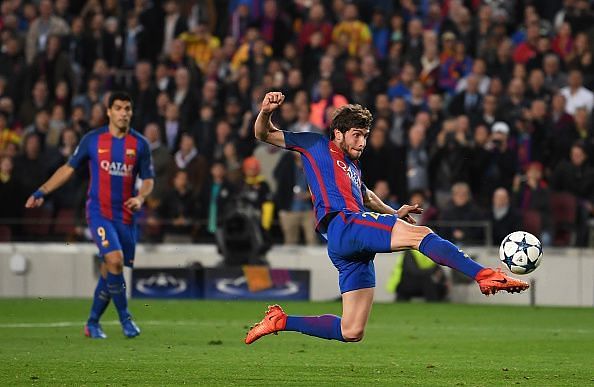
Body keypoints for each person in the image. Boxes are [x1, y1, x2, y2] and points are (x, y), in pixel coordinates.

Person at [245, 91, 529, 345]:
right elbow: (264, 134)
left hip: (347, 244)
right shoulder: (315, 145)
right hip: (346, 225)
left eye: (365, 136)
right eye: (357, 134)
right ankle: (484, 275)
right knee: (421, 235)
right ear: (338, 133)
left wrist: (394, 213)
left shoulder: (353, 168)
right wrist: (267, 111)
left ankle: (281, 321)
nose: (362, 142)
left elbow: (367, 196)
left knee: (351, 330)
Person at [25, 91, 155, 339]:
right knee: (114, 261)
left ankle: (92, 322)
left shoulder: (140, 145)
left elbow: (148, 179)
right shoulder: (93, 140)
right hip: (99, 213)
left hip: (126, 218)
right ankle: (126, 319)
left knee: (110, 270)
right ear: (108, 111)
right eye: (118, 108)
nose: (124, 113)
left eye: (127, 108)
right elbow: (68, 169)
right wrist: (42, 191)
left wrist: (140, 198)